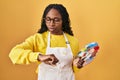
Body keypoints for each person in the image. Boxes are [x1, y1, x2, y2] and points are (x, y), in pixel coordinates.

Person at [9, 4, 84, 80]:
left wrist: (77, 65)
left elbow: (73, 69)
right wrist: (39, 56)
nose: (51, 24)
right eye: (48, 19)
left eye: (56, 20)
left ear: (63, 21)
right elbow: (14, 53)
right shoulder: (38, 39)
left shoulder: (73, 41)